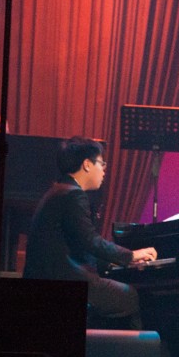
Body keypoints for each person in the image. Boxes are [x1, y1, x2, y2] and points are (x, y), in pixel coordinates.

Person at [24, 136, 158, 326]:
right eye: (101, 163)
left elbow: (79, 245)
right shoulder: (73, 194)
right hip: (63, 280)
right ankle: (129, 354)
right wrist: (130, 256)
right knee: (130, 296)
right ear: (87, 164)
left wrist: (113, 264)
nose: (104, 170)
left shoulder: (60, 190)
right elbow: (90, 241)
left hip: (50, 276)